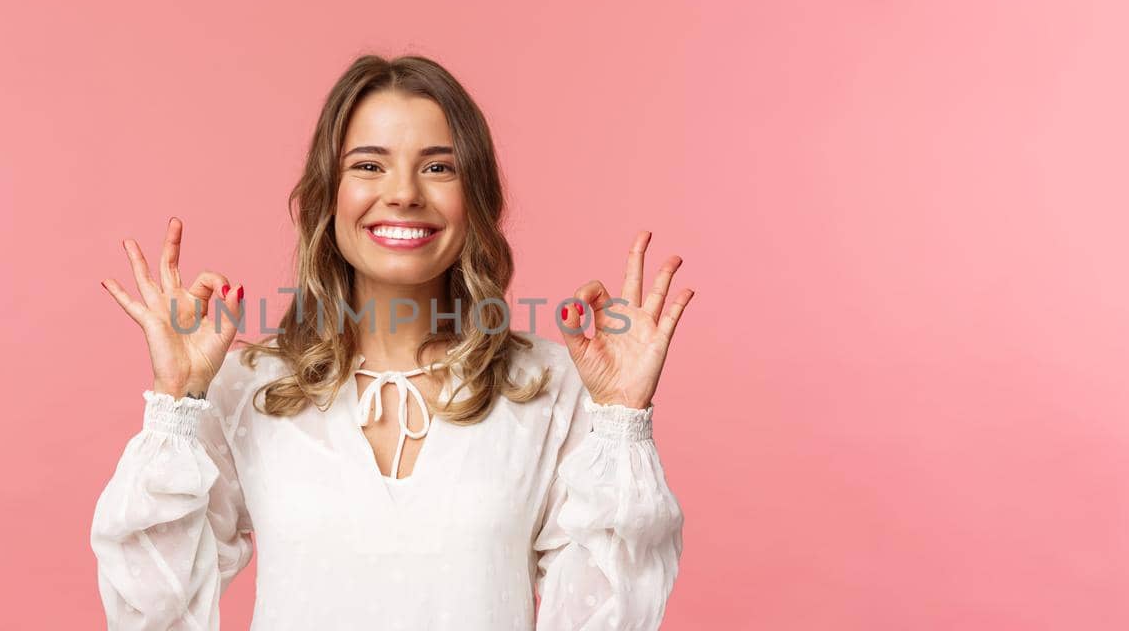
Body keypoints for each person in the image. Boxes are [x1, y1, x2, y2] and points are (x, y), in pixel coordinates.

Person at [90, 54, 695, 630]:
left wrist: (620, 419)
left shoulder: (550, 386)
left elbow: (604, 617)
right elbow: (151, 613)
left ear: (475, 198)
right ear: (327, 196)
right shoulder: (249, 387)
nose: (404, 192)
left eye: (438, 166)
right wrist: (176, 400)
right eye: (369, 165)